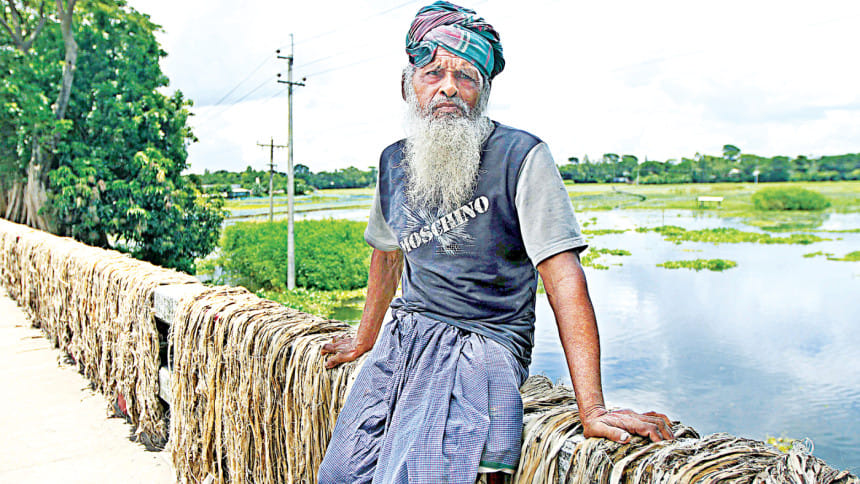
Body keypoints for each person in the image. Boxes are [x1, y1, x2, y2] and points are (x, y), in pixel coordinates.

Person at [318, 2, 674, 483]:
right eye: (433, 73)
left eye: (466, 76)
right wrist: (366, 337)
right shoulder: (392, 162)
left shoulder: (522, 155)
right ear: (408, 86)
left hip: (485, 342)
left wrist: (592, 408)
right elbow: (386, 257)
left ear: (483, 91)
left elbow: (563, 278)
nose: (448, 87)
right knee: (342, 471)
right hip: (405, 335)